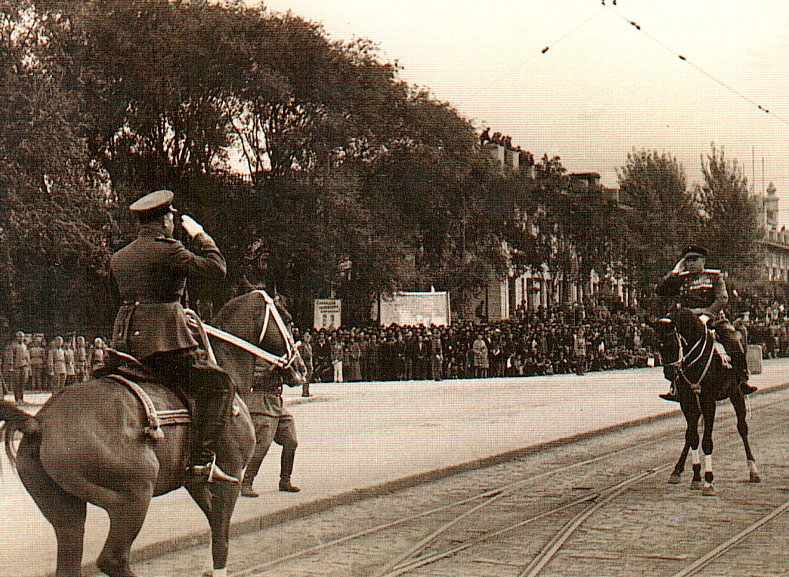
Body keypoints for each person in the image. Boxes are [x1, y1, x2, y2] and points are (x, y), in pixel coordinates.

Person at [109, 189, 238, 483]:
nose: (172, 221)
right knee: (219, 386)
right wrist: (200, 235)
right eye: (170, 216)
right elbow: (217, 269)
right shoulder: (170, 250)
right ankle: (202, 463)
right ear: (165, 220)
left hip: (125, 341)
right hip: (164, 342)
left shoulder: (119, 257)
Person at [656, 244, 756, 402]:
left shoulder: (714, 276)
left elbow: (722, 298)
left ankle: (742, 379)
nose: (691, 263)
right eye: (687, 260)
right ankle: (675, 385)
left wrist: (707, 315)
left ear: (703, 261)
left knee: (733, 340)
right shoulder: (681, 279)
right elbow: (660, 290)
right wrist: (675, 272)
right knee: (671, 344)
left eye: (695, 259)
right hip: (687, 321)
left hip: (712, 319)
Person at [238, 363, 300, 496]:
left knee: (291, 441)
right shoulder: (257, 355)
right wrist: (269, 369)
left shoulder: (280, 357)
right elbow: (250, 380)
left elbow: (294, 380)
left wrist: (288, 369)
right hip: (261, 403)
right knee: (262, 445)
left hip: (277, 401)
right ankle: (247, 483)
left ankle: (285, 480)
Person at [8, 331, 30, 404]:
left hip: (24, 366)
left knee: (23, 383)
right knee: (17, 383)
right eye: (19, 337)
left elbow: (27, 356)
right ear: (16, 337)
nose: (21, 338)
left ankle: (21, 398)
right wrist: (11, 366)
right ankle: (17, 399)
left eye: (22, 337)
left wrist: (28, 366)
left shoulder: (25, 346)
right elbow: (11, 356)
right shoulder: (13, 346)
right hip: (16, 366)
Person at [299, 330, 313, 397]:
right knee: (306, 378)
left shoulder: (309, 345)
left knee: (308, 378)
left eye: (309, 336)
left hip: (309, 362)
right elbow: (301, 355)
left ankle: (307, 391)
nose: (308, 338)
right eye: (306, 336)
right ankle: (305, 392)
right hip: (305, 362)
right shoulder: (302, 345)